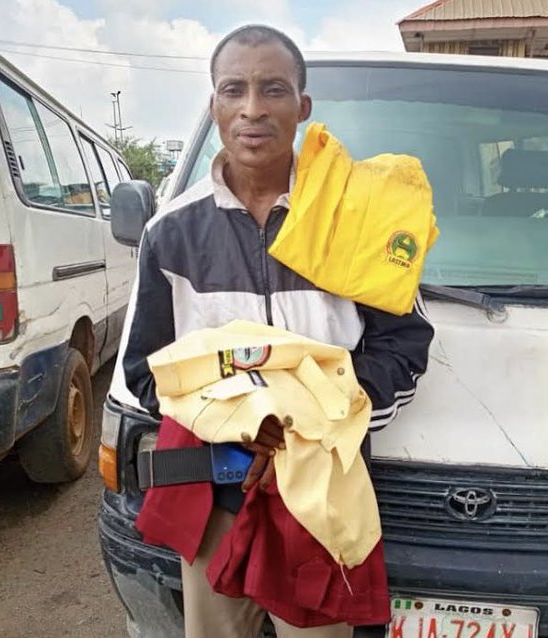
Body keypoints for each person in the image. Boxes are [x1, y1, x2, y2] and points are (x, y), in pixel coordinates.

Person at [121, 24, 434, 638]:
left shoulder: (354, 220)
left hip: (322, 496)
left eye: (273, 89)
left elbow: (403, 348)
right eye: (233, 90)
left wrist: (302, 428)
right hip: (212, 496)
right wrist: (240, 426)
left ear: (302, 105)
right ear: (214, 105)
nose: (252, 109)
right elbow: (146, 372)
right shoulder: (170, 233)